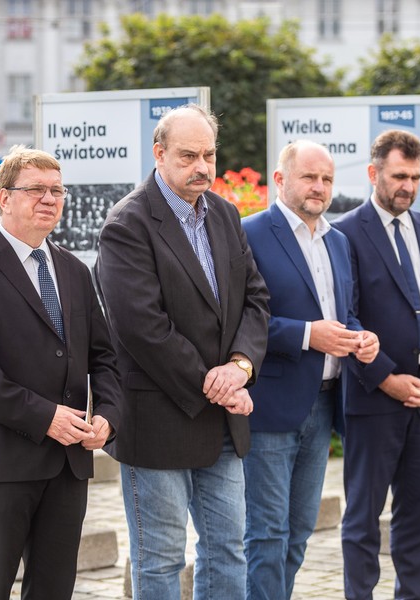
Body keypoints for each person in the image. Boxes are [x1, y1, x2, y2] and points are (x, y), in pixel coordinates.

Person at [94, 103, 270, 600]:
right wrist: (216, 384)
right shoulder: (127, 223)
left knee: (228, 551)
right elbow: (142, 328)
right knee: (161, 560)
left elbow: (256, 301)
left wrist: (240, 367)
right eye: (188, 155)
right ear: (159, 153)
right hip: (158, 421)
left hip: (222, 423)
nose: (202, 167)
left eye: (209, 155)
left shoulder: (225, 214)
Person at [0, 145, 122, 600]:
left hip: (68, 463)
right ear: (4, 198)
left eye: (57, 190)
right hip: (3, 460)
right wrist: (46, 417)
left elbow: (104, 357)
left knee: (55, 588)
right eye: (36, 189)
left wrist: (109, 416)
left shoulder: (74, 270)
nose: (49, 198)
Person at [333, 129, 420, 599]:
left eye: (414, 177)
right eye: (398, 176)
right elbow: (346, 318)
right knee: (362, 520)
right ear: (374, 173)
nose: (407, 186)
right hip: (373, 402)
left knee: (418, 521)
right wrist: (387, 378)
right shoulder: (344, 233)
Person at [241, 140, 380, 600]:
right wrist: (306, 335)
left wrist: (360, 337)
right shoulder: (250, 234)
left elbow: (346, 313)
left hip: (323, 407)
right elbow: (241, 320)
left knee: (299, 532)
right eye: (309, 177)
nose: (319, 187)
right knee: (266, 534)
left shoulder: (338, 241)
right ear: (280, 180)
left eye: (327, 179)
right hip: (270, 407)